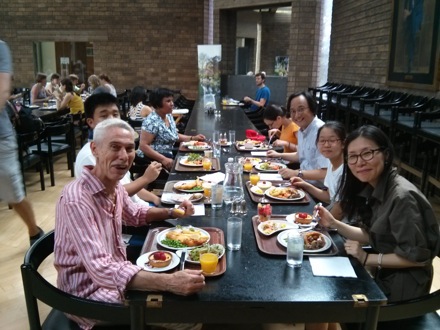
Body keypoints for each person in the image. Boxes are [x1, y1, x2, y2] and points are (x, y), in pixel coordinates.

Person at [55, 118, 204, 330]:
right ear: (95, 149)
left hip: (114, 277)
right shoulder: (76, 199)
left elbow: (135, 213)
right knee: (186, 317)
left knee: (187, 284)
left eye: (129, 148)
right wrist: (170, 283)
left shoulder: (113, 186)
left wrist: (172, 211)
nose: (124, 157)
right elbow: (101, 269)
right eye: (115, 147)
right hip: (86, 297)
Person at [316, 125, 440, 306]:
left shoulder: (402, 197)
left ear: (386, 155)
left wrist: (367, 258)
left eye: (367, 153)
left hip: (403, 291)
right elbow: (372, 236)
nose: (359, 162)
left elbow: (417, 258)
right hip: (383, 274)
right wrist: (334, 223)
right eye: (353, 157)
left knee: (328, 299)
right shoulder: (374, 186)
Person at [75, 92, 161, 206]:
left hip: (139, 208)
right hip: (125, 218)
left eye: (115, 114)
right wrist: (145, 179)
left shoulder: (120, 148)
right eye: (104, 116)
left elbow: (128, 185)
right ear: (91, 122)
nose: (112, 120)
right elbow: (106, 196)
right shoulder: (89, 156)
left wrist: (156, 199)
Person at [0, 40, 44, 246]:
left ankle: (34, 230)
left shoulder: (0, 48)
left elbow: (2, 92)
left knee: (13, 194)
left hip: (1, 138)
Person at [137, 88, 205, 171]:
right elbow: (143, 146)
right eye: (168, 101)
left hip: (169, 152)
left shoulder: (168, 115)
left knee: (199, 156)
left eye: (172, 100)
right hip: (154, 158)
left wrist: (193, 138)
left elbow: (174, 135)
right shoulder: (151, 121)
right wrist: (163, 159)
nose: (172, 104)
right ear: (158, 104)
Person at [267, 91, 327, 184]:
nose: (297, 115)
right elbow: (300, 155)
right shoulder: (302, 130)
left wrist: (296, 173)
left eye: (301, 109)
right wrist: (278, 155)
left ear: (312, 108)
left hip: (318, 189)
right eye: (293, 111)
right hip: (303, 181)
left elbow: (325, 172)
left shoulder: (322, 132)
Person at [290, 121, 345, 218]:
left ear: (343, 144)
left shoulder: (345, 170)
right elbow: (328, 196)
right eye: (322, 141)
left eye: (332, 140)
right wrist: (305, 185)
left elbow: (339, 210)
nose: (326, 145)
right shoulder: (332, 164)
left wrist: (320, 225)